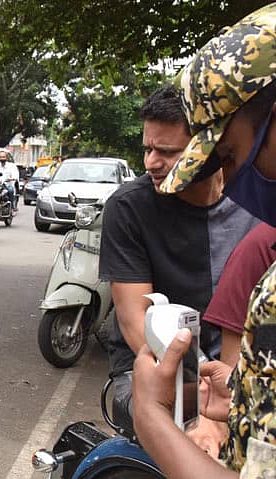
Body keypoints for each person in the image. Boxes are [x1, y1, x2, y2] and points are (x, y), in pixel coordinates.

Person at [133, 6, 276, 479]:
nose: (234, 180)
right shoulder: (132, 209)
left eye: (234, 155)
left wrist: (153, 419)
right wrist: (241, 397)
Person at [99, 84, 258, 435]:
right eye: (147, 149)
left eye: (167, 152)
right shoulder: (128, 208)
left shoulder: (257, 201)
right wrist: (197, 398)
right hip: (152, 367)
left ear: (212, 148)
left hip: (241, 368)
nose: (151, 163)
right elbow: (134, 322)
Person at [122, 223, 276, 479]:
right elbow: (240, 361)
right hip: (222, 399)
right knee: (208, 467)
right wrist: (236, 401)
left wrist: (151, 417)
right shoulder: (261, 246)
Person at [0, 149, 20, 217]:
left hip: (8, 185)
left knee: (10, 190)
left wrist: (11, 178)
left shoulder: (12, 166)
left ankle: (12, 208)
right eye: (1, 157)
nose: (2, 158)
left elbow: (15, 175)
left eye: (4, 157)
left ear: (6, 158)